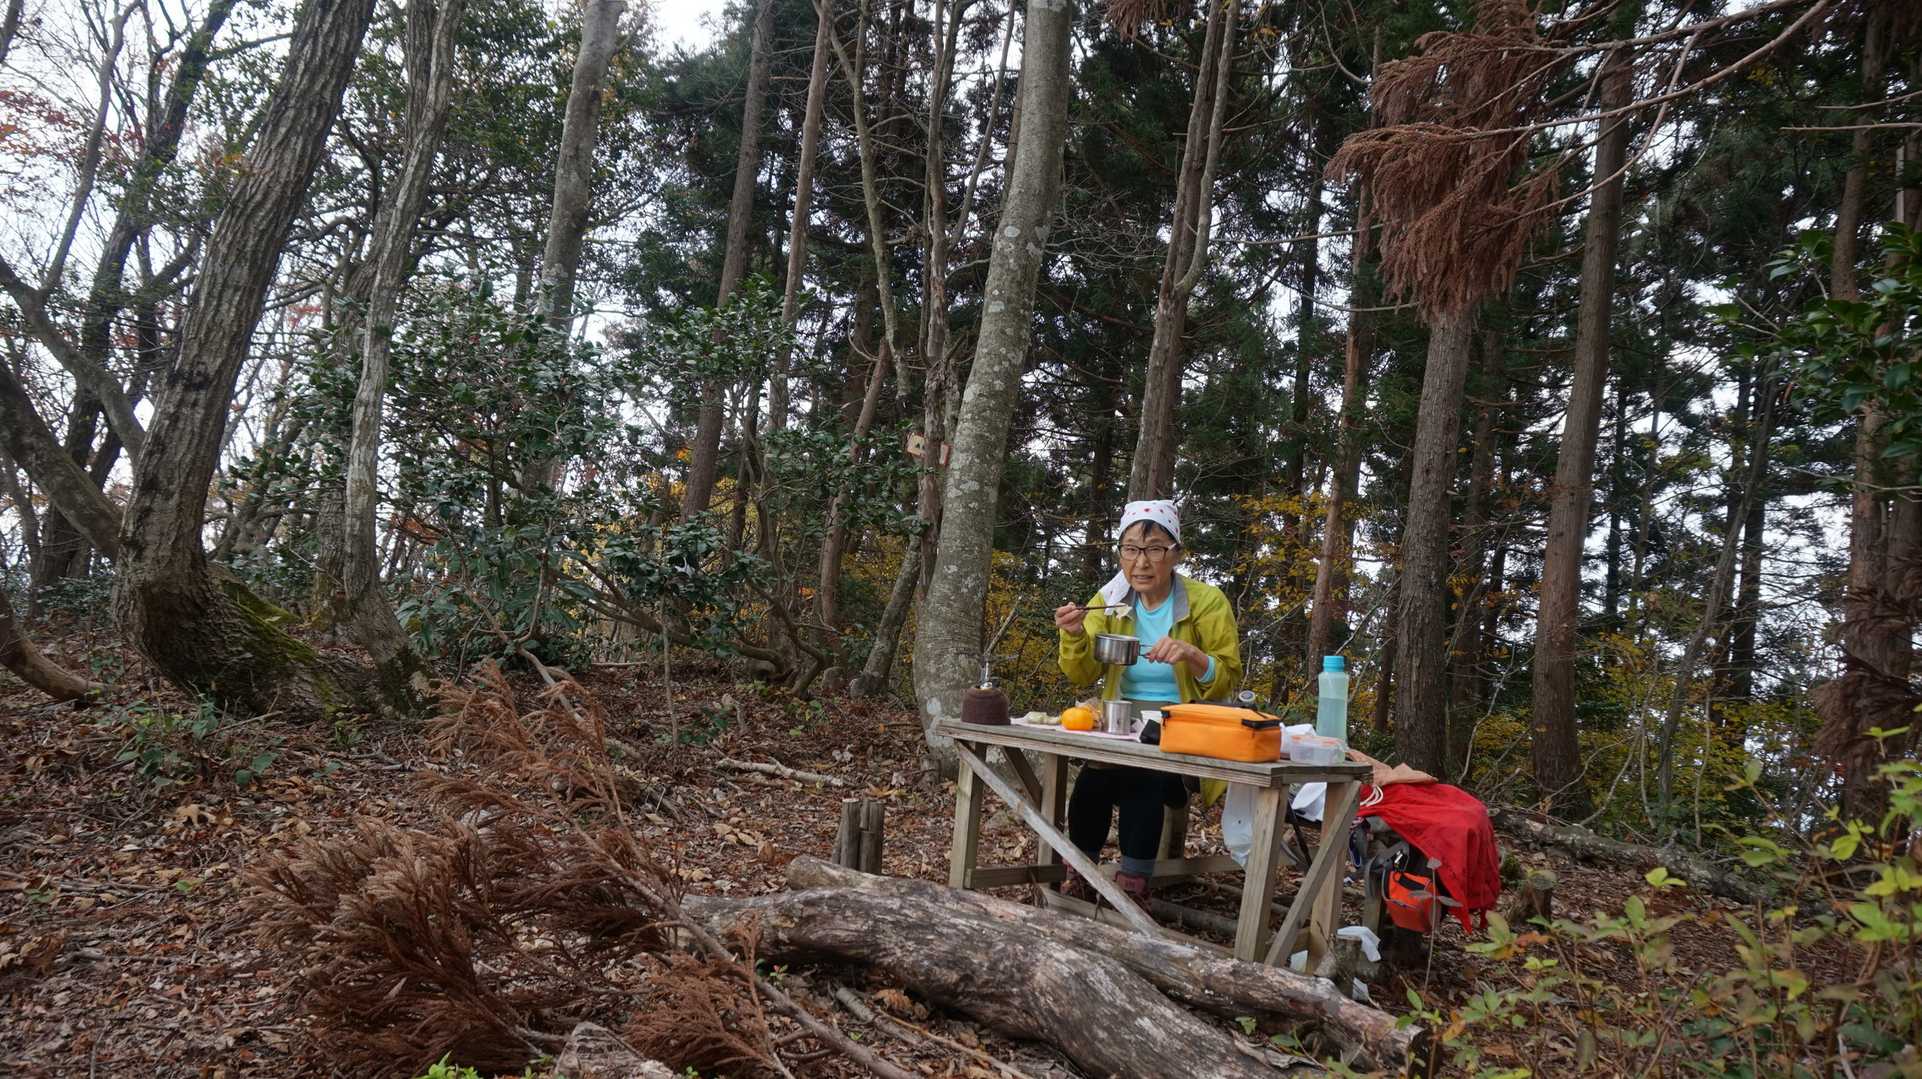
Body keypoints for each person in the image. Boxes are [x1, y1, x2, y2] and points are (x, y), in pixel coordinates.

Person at [1053, 499, 1242, 904]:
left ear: (1176, 554)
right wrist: (1074, 635)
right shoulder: (1109, 601)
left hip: (1184, 728)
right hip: (1119, 724)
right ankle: (1079, 875)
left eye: (1154, 549)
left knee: (1143, 779)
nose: (1140, 562)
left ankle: (1132, 888)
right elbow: (1081, 674)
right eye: (1130, 549)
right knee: (1091, 784)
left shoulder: (1206, 602)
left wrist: (1193, 656)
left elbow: (1228, 677)